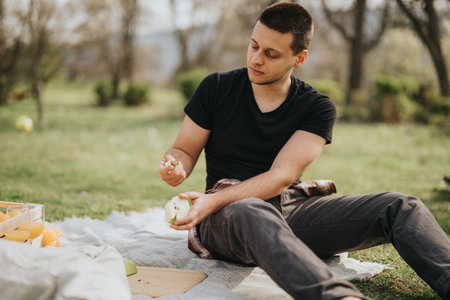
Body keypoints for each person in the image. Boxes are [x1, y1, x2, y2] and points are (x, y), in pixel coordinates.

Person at [158, 2, 450, 299]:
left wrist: (213, 200)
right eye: (254, 46)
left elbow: (281, 177)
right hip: (226, 215)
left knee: (401, 206)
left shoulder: (317, 107)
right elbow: (184, 148)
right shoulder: (216, 88)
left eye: (271, 54)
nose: (256, 59)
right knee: (251, 208)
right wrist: (176, 164)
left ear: (300, 58)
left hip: (287, 208)